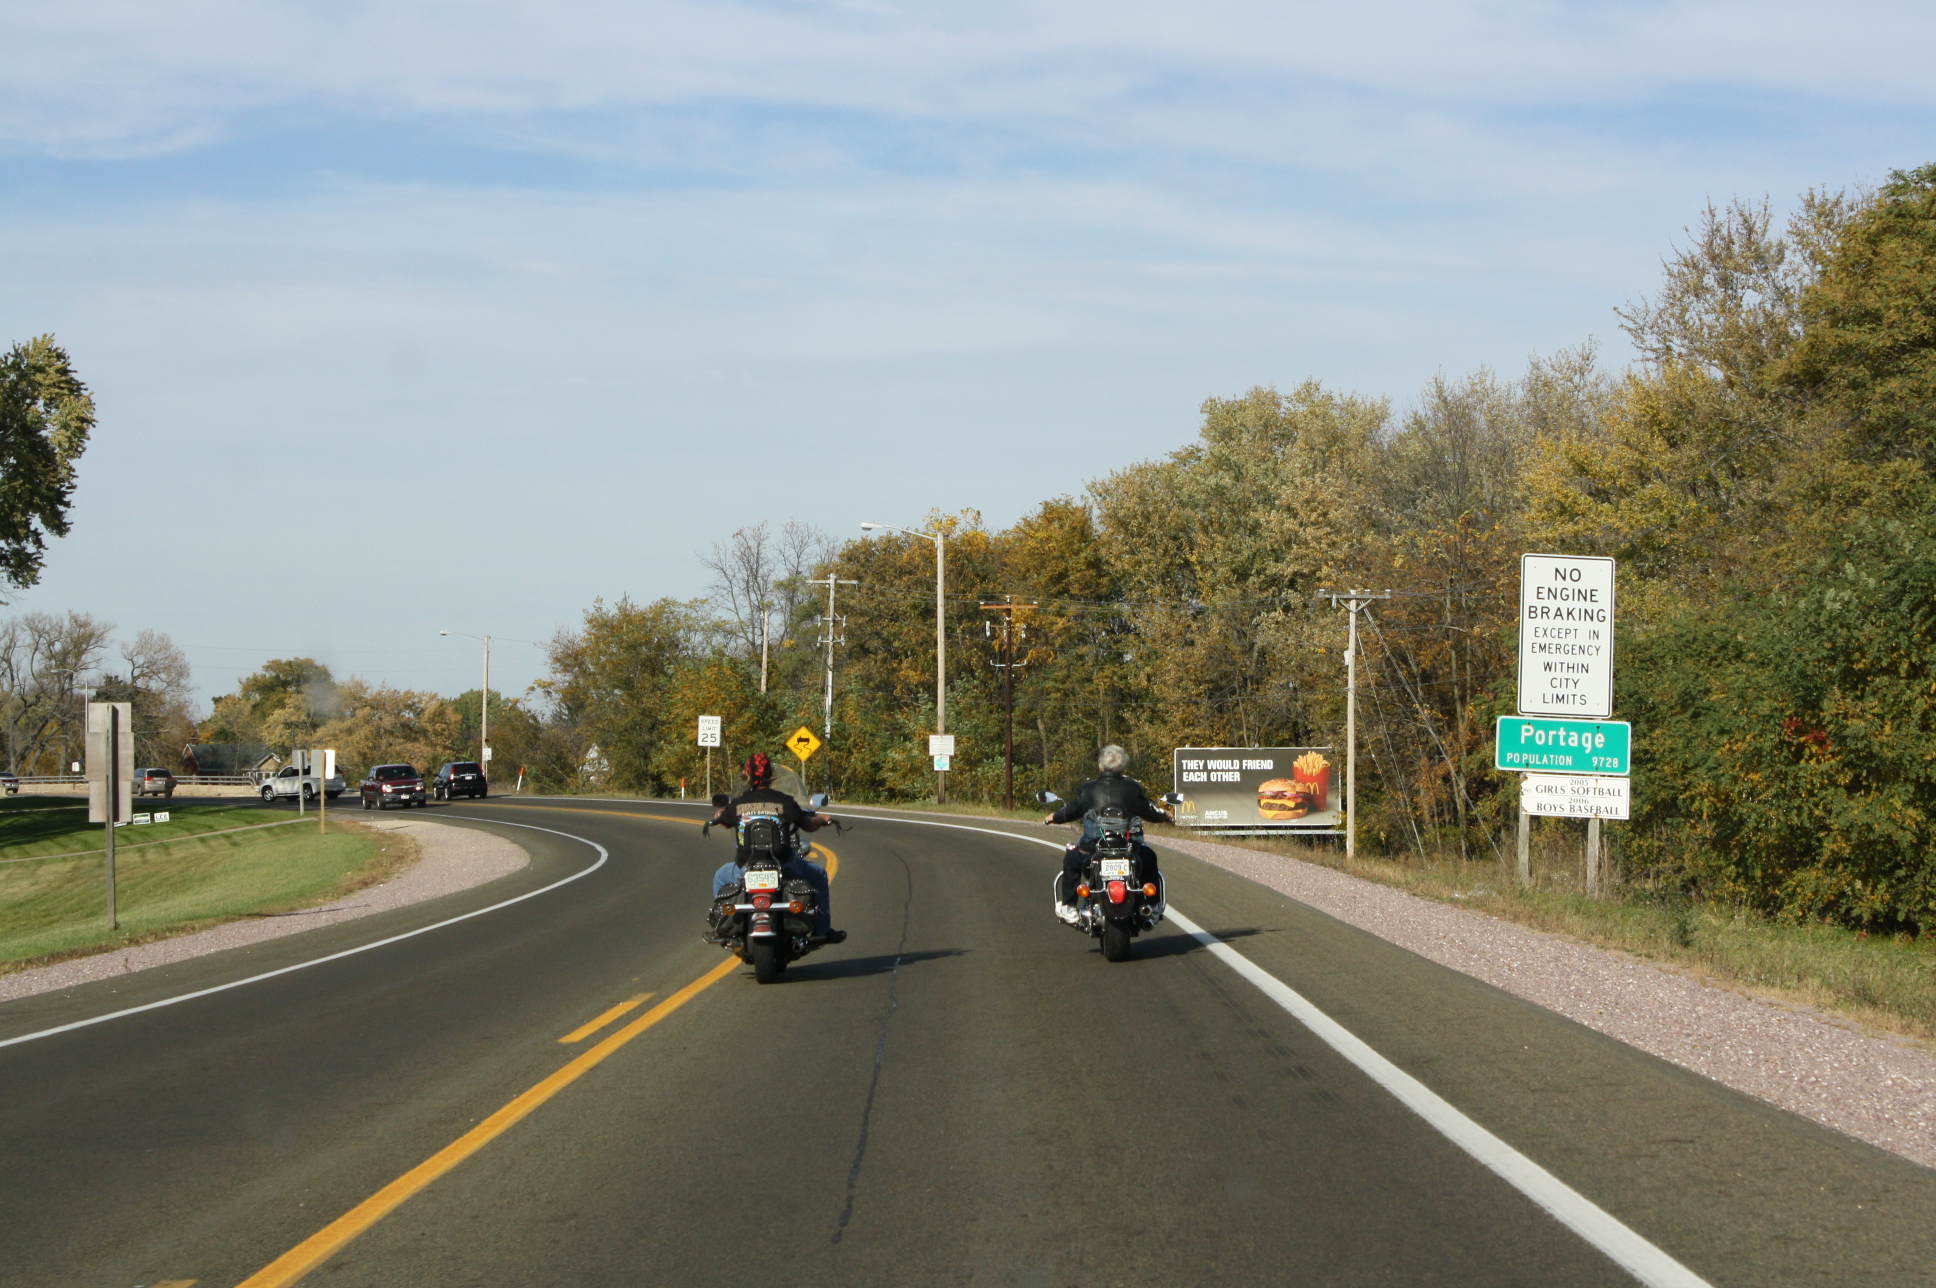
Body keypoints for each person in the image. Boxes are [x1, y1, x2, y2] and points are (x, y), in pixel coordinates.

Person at [710, 752, 846, 943]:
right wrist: (822, 819)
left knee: (721, 876)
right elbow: (808, 824)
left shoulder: (738, 804)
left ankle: (721, 926)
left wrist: (719, 815)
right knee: (819, 875)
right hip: (784, 866)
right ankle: (822, 930)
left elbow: (723, 822)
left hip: (746, 867)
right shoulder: (784, 802)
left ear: (746, 774)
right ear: (771, 774)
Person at [1043, 744, 1172, 924]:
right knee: (1149, 856)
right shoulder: (1133, 789)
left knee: (1072, 858)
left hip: (1093, 847)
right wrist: (1165, 815)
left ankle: (1069, 906)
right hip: (1129, 847)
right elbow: (1150, 812)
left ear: (1100, 766)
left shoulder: (1087, 790)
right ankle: (1153, 904)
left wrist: (1054, 817)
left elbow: (1070, 812)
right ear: (1122, 767)